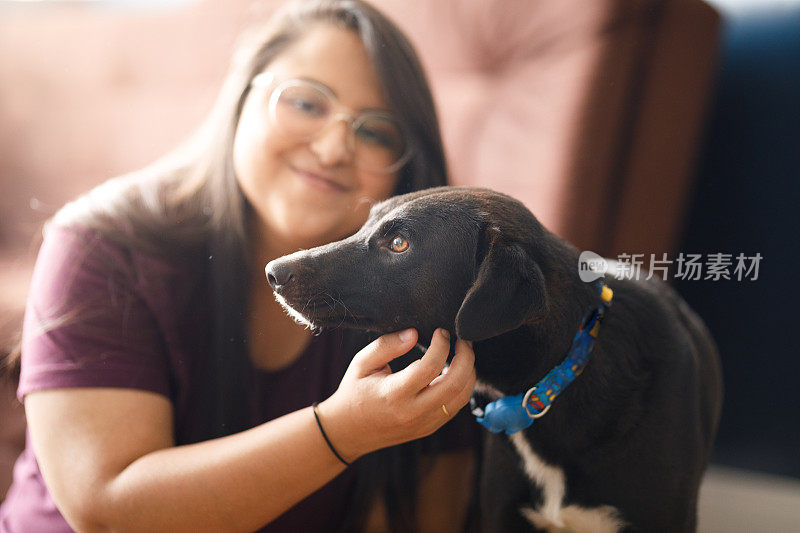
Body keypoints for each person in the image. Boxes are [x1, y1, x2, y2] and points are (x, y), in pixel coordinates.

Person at [0, 1, 478, 531]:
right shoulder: (100, 244)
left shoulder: (427, 288)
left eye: (375, 132)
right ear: (242, 95)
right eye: (305, 102)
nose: (333, 146)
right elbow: (107, 509)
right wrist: (339, 431)